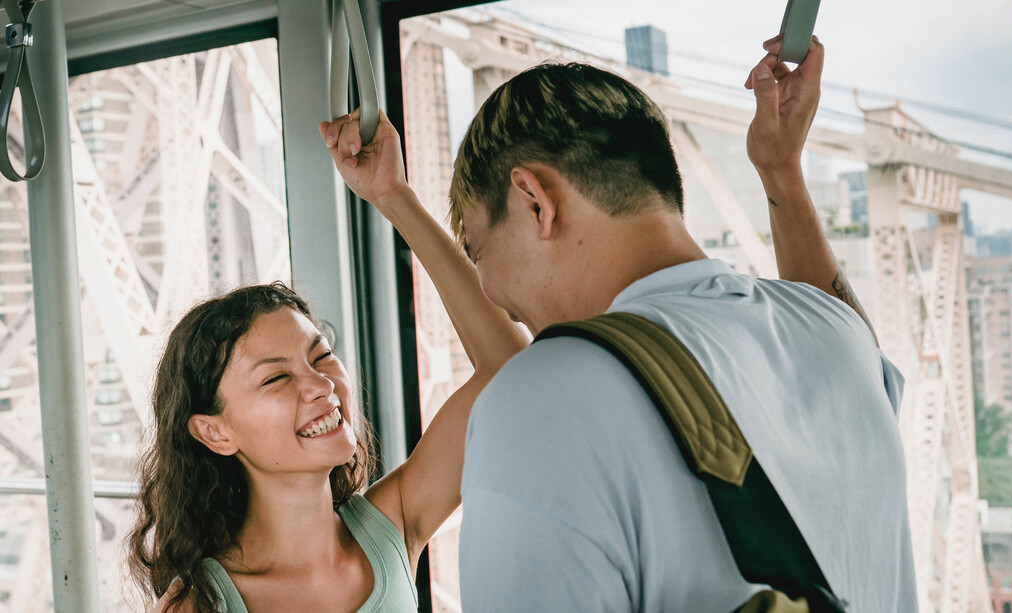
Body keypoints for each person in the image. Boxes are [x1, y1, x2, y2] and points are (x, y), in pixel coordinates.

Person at [328, 35, 917, 611]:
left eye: (480, 252)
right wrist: (780, 168)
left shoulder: (543, 403)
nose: (497, 300)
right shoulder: (839, 336)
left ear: (534, 201)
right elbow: (829, 314)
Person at [127, 106, 528, 610]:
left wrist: (393, 195)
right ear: (214, 432)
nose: (321, 384)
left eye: (320, 357)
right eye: (276, 378)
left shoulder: (392, 526)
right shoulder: (203, 604)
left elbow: (511, 370)